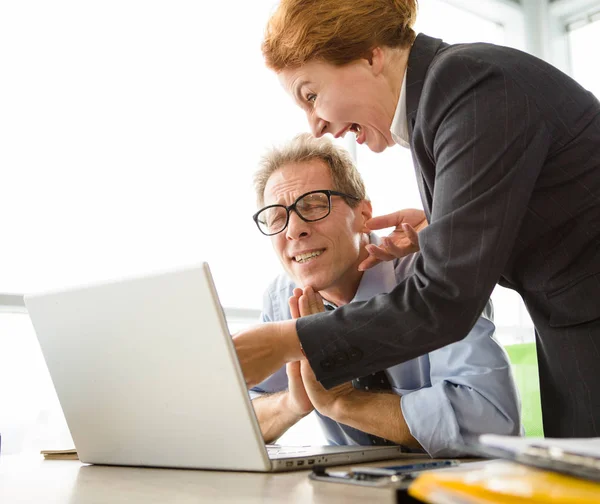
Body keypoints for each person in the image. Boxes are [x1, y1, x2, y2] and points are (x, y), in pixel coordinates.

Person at [234, 0, 600, 438]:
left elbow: (446, 296)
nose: (316, 125)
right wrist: (450, 227)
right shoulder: (444, 103)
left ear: (371, 55)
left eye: (312, 95)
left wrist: (290, 340)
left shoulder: (469, 86)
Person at [250, 133, 521, 456]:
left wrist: (344, 402)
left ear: (364, 214)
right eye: (277, 218)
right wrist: (292, 403)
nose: (294, 229)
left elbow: (491, 422)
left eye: (314, 205)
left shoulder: (430, 276)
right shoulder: (282, 299)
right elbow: (239, 417)